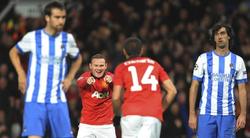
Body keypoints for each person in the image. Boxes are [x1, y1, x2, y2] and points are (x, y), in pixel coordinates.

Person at [9, 1, 82, 138]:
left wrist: (69, 78)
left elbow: (78, 58)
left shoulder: (68, 39)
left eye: (63, 17)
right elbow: (13, 52)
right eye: (57, 17)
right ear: (47, 18)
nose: (61, 21)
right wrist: (21, 74)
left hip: (58, 99)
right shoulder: (33, 37)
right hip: (35, 99)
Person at [188, 23, 248, 138]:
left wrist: (243, 114)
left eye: (222, 33)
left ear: (228, 36)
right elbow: (194, 86)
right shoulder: (203, 59)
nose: (219, 37)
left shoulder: (238, 61)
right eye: (216, 34)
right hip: (206, 114)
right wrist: (191, 114)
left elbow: (242, 89)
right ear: (214, 38)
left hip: (228, 115)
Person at [112, 37, 177, 138]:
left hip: (130, 114)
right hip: (152, 115)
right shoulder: (155, 65)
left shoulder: (121, 68)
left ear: (124, 52)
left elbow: (115, 97)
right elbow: (172, 90)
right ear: (142, 50)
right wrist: (161, 108)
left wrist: (118, 113)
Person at [76, 53, 116, 138]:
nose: (98, 68)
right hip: (86, 125)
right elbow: (79, 81)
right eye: (96, 65)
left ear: (106, 66)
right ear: (90, 66)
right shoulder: (85, 77)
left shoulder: (111, 77)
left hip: (106, 126)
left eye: (101, 65)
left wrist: (112, 81)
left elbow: (120, 85)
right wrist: (86, 81)